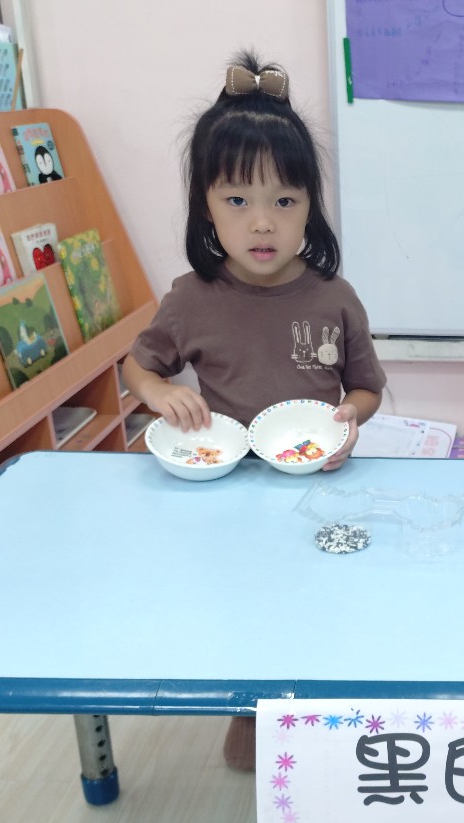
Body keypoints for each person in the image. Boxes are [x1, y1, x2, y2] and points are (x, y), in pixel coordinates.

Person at [123, 53, 387, 772]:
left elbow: (366, 388)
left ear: (311, 206)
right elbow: (138, 366)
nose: (263, 222)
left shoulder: (333, 297)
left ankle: (323, 706)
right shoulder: (191, 297)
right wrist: (159, 393)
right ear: (205, 206)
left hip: (317, 485)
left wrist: (350, 417)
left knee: (320, 603)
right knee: (242, 605)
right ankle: (250, 708)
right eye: (237, 200)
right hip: (226, 492)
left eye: (285, 201)